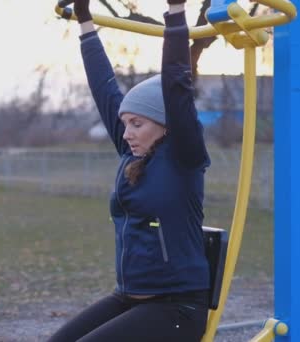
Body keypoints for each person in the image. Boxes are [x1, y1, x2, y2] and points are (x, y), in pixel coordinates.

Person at [48, 0, 211, 340]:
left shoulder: (184, 157)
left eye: (137, 123)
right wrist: (85, 21)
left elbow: (177, 83)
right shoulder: (133, 154)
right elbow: (103, 86)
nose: (127, 133)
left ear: (166, 124)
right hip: (129, 298)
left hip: (177, 308)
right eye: (125, 124)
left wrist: (177, 11)